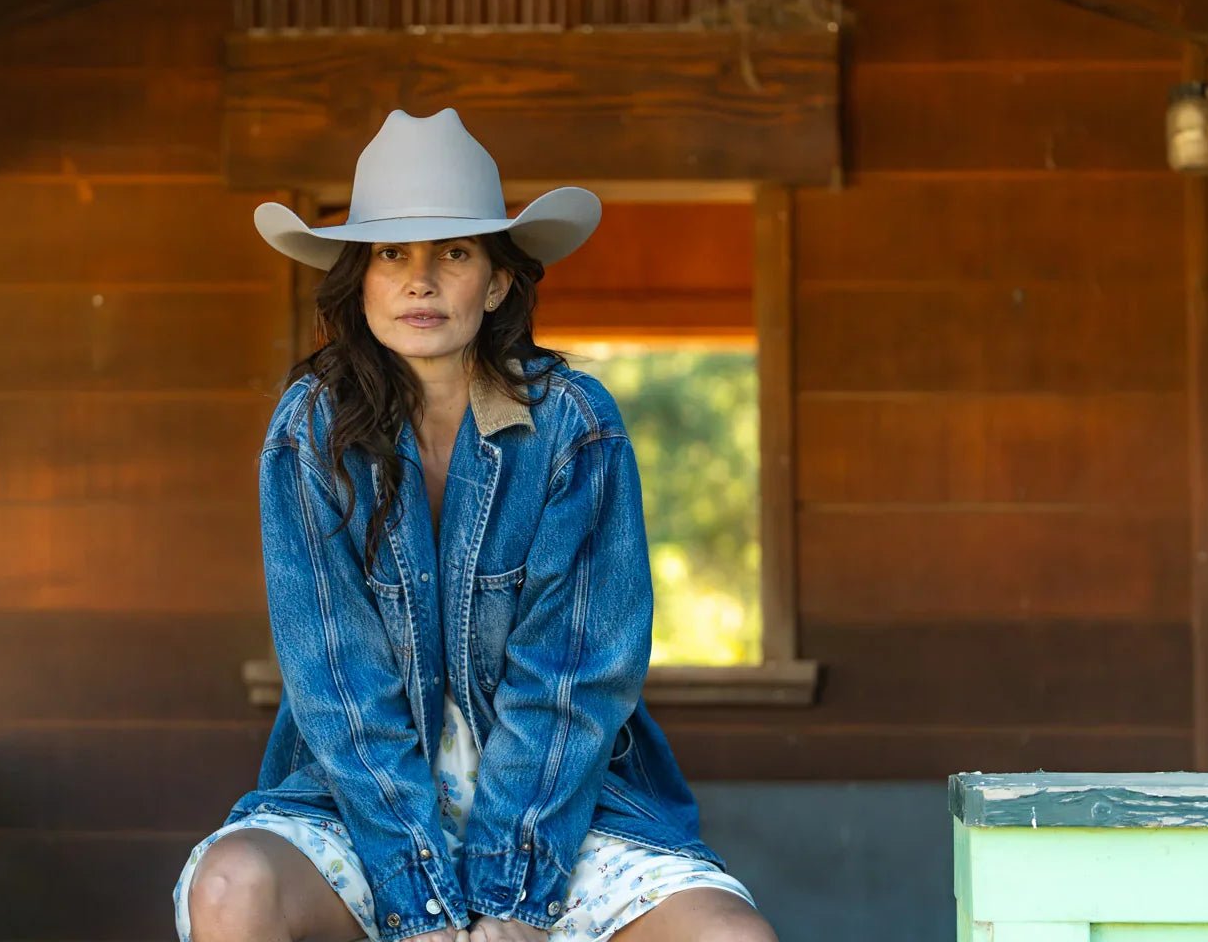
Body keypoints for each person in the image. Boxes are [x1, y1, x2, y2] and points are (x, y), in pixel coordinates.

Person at [172, 108, 778, 942]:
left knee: (731, 938)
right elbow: (337, 684)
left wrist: (512, 898)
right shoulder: (308, 431)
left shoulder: (574, 425)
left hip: (554, 810)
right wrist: (421, 902)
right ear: (364, 280)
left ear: (496, 283)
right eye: (392, 254)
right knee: (231, 885)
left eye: (453, 253)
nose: (420, 281)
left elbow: (573, 680)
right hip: (362, 807)